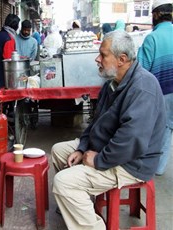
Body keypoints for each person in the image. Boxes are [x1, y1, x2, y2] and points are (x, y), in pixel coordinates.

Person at [52, 30, 166, 230]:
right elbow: (95, 123)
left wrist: (98, 160)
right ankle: (75, 205)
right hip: (109, 148)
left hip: (132, 163)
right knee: (60, 151)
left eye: (103, 55)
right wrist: (83, 148)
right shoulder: (112, 84)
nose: (98, 59)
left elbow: (131, 141)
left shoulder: (142, 88)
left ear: (122, 59)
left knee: (63, 182)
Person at [137, 0, 173, 176]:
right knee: (168, 128)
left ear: (156, 15)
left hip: (161, 91)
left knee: (158, 128)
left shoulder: (153, 38)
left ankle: (153, 166)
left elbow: (141, 69)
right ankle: (158, 166)